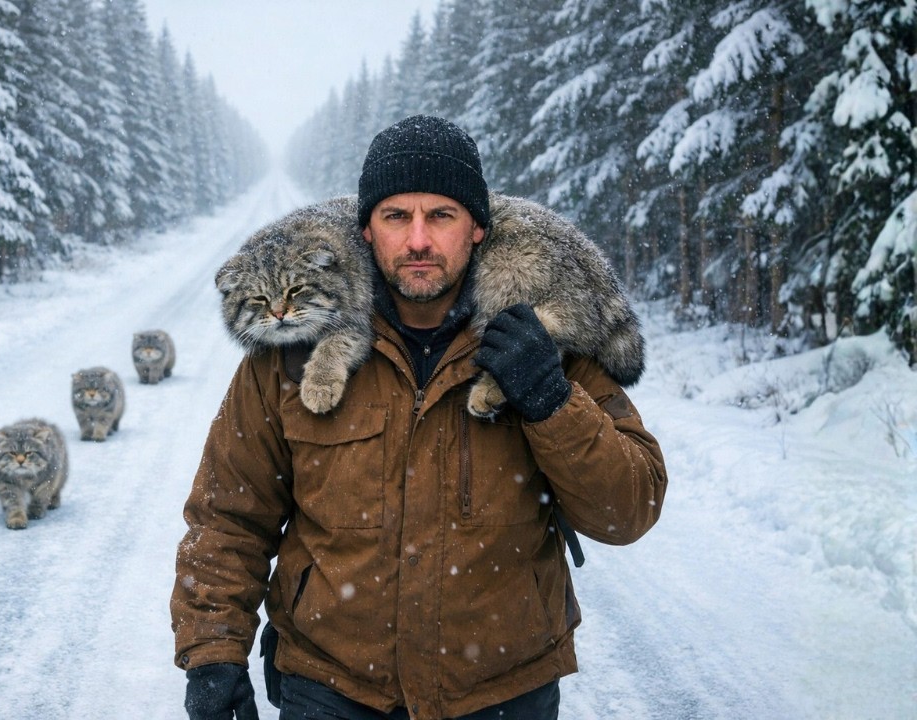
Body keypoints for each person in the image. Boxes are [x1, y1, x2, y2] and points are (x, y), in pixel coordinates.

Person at [171, 115, 668, 720]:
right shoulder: (288, 354)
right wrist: (213, 655)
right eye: (396, 216)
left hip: (501, 692)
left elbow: (629, 508)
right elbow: (227, 516)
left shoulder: (544, 341)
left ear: (479, 228)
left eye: (441, 215)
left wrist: (550, 401)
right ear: (364, 230)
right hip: (330, 689)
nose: (418, 241)